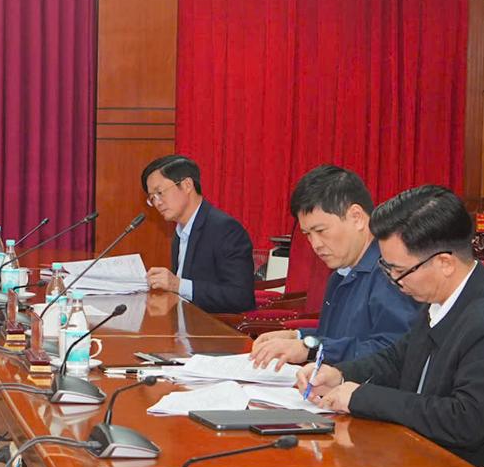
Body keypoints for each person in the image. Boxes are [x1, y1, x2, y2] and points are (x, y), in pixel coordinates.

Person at [303, 185, 484, 467]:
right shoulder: (439, 299)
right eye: (387, 268)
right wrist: (340, 375)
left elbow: (464, 420)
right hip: (421, 457)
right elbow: (398, 359)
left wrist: (361, 397)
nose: (394, 280)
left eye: (399, 270)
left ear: (445, 263)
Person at [250, 166, 417, 368]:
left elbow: (394, 351)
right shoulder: (341, 273)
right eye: (308, 234)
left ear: (356, 217)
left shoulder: (392, 272)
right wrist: (297, 336)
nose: (315, 244)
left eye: (321, 231)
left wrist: (311, 349)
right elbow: (337, 338)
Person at [140, 154, 255, 314]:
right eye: (152, 198)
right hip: (184, 322)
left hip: (213, 327)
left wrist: (177, 285)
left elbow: (241, 297)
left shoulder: (225, 229)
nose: (157, 202)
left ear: (187, 185)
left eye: (160, 192)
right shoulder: (180, 232)